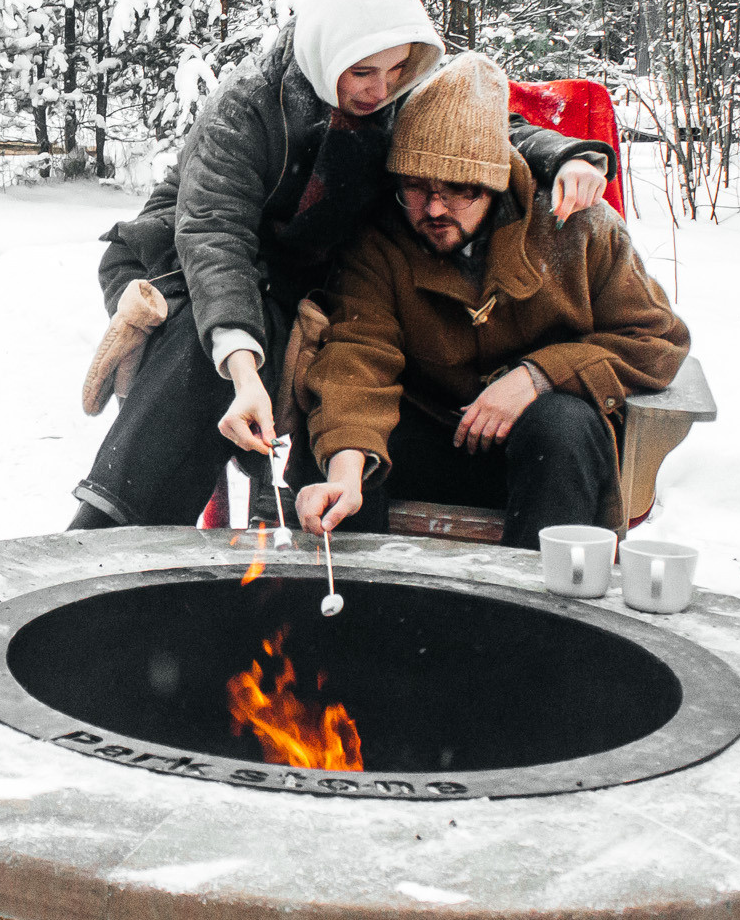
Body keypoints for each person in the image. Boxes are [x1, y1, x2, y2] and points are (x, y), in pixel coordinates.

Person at [70, 0, 615, 529]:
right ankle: (112, 534)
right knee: (200, 363)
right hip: (186, 262)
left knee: (328, 353)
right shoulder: (248, 106)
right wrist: (244, 370)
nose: (381, 90)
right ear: (328, 53)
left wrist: (565, 154)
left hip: (306, 274)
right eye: (361, 73)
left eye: (397, 69)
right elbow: (213, 233)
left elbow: (476, 131)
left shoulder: (398, 88)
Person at [294, 53, 689, 550]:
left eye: (459, 191)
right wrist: (347, 466)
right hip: (429, 434)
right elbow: (359, 354)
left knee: (563, 425)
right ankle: (352, 614)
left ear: (496, 182)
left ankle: (535, 617)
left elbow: (658, 341)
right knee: (333, 447)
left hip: (540, 461)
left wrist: (539, 377)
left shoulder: (580, 228)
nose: (434, 209)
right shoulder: (380, 238)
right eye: (415, 188)